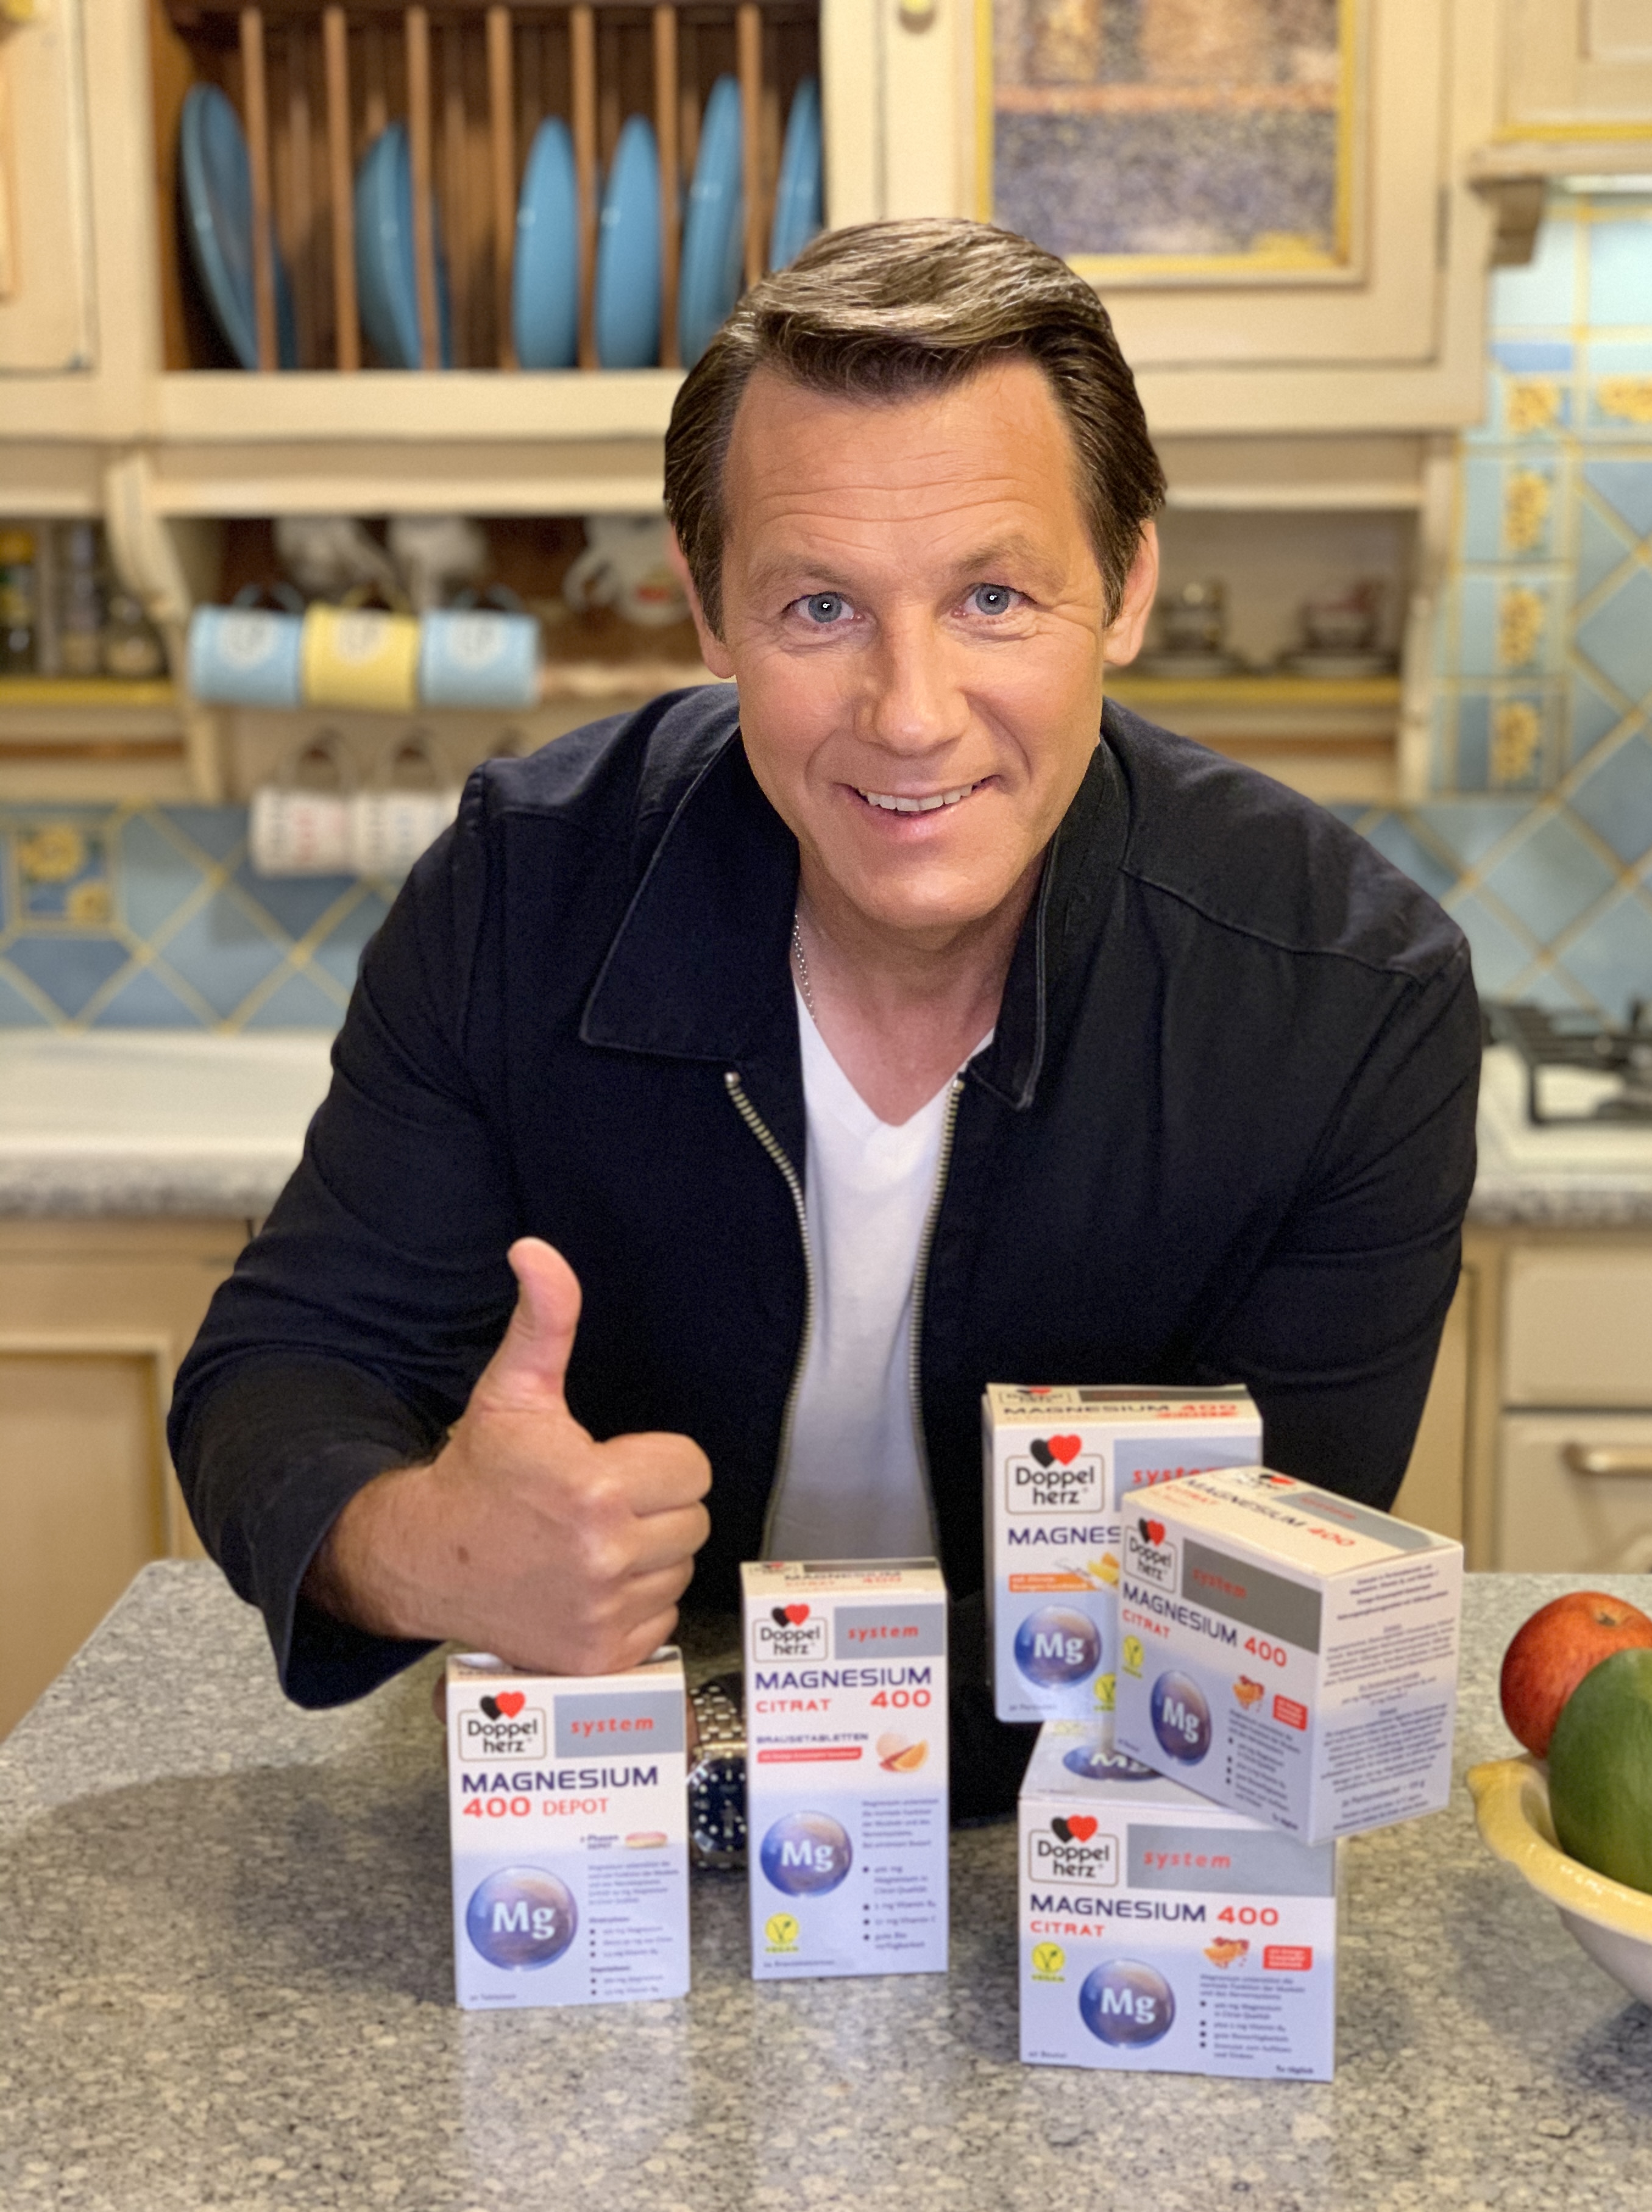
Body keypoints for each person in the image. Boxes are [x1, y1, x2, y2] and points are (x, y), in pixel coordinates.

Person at [169, 218, 1479, 1816]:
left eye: (993, 596)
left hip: (1075, 1844)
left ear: (1127, 587)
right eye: (818, 610)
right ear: (709, 611)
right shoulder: (524, 891)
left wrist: (730, 1755)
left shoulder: (1350, 1003)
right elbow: (278, 1371)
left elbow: (1251, 1616)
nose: (911, 715)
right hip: (586, 1829)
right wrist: (427, 1548)